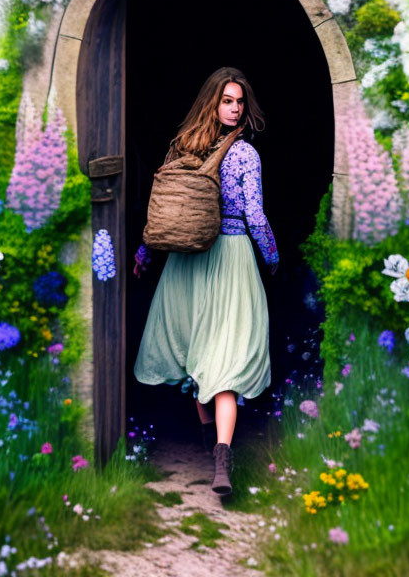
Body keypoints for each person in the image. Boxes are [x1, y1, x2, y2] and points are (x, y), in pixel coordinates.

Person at [132, 66, 279, 497]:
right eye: (227, 101)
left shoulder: (182, 147)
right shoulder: (246, 155)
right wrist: (272, 257)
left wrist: (145, 253)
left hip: (185, 260)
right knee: (225, 360)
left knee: (200, 353)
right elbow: (254, 215)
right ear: (213, 103)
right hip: (229, 256)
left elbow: (164, 210)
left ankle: (210, 446)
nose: (234, 109)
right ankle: (221, 454)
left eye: (239, 102)